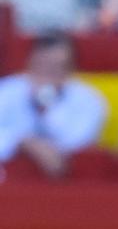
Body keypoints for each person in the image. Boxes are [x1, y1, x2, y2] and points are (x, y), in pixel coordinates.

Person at [0, 29, 106, 172]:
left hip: (69, 183)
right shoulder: (7, 91)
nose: (47, 75)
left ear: (70, 69)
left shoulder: (89, 100)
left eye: (56, 68)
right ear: (30, 63)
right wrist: (23, 143)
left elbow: (77, 143)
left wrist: (46, 108)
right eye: (42, 66)